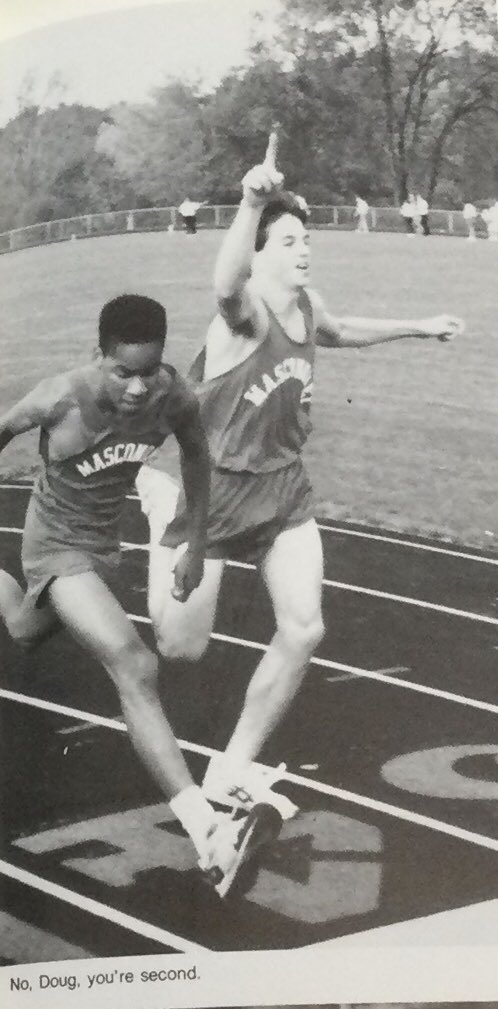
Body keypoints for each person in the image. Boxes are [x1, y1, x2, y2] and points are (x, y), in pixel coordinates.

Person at [137, 135, 464, 821]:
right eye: (286, 241)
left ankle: (231, 769)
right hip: (215, 491)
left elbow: (341, 330)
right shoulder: (246, 311)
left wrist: (421, 325)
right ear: (259, 252)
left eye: (304, 238)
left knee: (305, 628)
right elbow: (223, 285)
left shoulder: (307, 303)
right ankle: (155, 510)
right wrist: (250, 203)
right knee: (180, 646)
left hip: (283, 486)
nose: (303, 248)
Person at [0, 293, 277, 898]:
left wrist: (198, 544)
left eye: (149, 370)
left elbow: (200, 459)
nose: (136, 387)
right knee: (133, 663)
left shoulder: (172, 396)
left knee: (24, 629)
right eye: (123, 371)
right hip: (54, 543)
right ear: (97, 356)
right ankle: (205, 829)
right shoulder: (59, 396)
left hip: (103, 544)